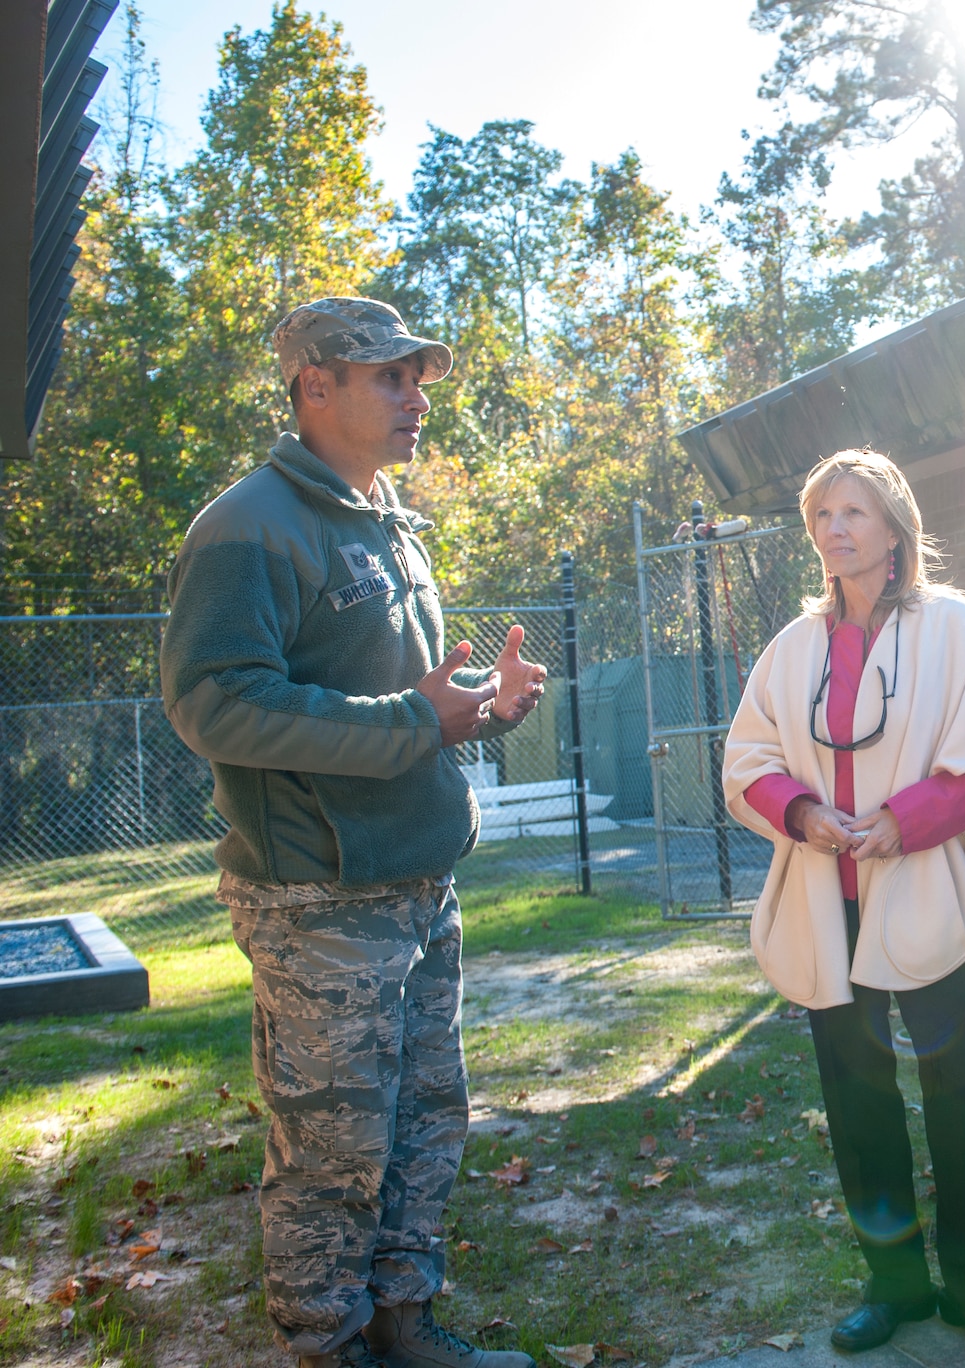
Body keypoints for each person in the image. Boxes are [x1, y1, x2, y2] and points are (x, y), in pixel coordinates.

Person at [161, 298, 547, 1368]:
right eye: (390, 376)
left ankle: (402, 1322)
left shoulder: (382, 519)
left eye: (418, 377)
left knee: (425, 1122)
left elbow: (393, 700)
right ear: (313, 386)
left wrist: (475, 707)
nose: (416, 397)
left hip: (418, 878)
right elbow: (215, 703)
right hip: (318, 897)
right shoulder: (247, 526)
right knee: (332, 1152)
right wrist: (415, 719)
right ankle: (324, 1347)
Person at [723, 449, 965, 1360]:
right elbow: (746, 762)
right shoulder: (792, 648)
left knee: (961, 1093)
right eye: (822, 514)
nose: (834, 528)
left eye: (854, 512)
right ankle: (895, 1285)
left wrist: (903, 823)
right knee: (858, 1101)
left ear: (896, 525)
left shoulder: (955, 628)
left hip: (928, 896)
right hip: (831, 909)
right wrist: (802, 810)